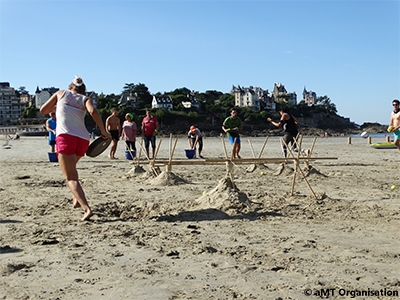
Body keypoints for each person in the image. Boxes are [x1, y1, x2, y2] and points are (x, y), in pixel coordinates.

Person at [40, 76, 110, 221]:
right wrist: (103, 131)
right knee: (73, 169)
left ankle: (87, 208)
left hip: (66, 137)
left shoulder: (61, 93)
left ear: (70, 87)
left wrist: (58, 105)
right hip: (83, 139)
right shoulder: (85, 99)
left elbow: (43, 110)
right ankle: (76, 197)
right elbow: (93, 112)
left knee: (70, 177)